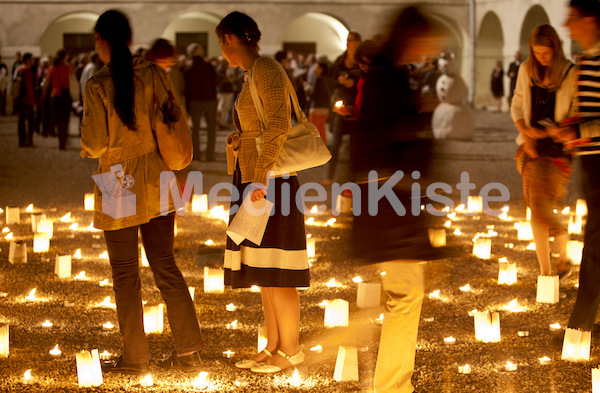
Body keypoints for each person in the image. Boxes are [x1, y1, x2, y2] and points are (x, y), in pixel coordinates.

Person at [80, 9, 203, 375]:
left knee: (124, 274)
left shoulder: (97, 84)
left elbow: (95, 143)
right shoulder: (154, 75)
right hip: (158, 174)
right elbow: (174, 120)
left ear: (100, 41)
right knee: (165, 264)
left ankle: (136, 355)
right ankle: (189, 350)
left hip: (118, 179)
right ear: (129, 40)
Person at [350, 8, 447, 392]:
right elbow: (377, 142)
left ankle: (394, 382)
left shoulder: (389, 75)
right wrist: (416, 129)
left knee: (406, 293)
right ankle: (392, 385)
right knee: (406, 295)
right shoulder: (387, 78)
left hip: (392, 199)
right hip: (391, 201)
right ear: (411, 36)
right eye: (428, 41)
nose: (430, 49)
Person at [217, 11, 309, 374]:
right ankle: (273, 344)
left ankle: (291, 348)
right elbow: (260, 128)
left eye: (223, 41)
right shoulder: (250, 75)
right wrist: (240, 143)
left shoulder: (266, 69)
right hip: (256, 179)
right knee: (262, 267)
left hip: (271, 182)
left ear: (232, 39)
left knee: (278, 266)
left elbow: (276, 127)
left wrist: (258, 177)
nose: (222, 48)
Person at [550, 0, 600, 348]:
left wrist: (578, 131)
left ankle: (580, 329)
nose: (567, 26)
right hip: (592, 164)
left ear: (591, 20)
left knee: (595, 247)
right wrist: (570, 127)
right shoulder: (588, 59)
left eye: (572, 19)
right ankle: (581, 327)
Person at [511, 24, 577, 278]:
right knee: (537, 208)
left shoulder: (569, 72)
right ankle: (548, 271)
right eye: (537, 53)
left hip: (558, 150)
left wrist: (560, 131)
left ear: (555, 48)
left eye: (546, 53)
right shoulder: (526, 70)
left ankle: (558, 259)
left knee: (541, 207)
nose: (542, 58)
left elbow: (575, 110)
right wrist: (526, 132)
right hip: (531, 148)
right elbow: (517, 104)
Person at [323, 31, 362, 185]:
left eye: (352, 40)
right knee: (336, 142)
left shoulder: (361, 60)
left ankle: (353, 177)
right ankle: (330, 176)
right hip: (342, 104)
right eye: (348, 40)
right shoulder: (340, 61)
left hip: (356, 104)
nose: (349, 43)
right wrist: (339, 81)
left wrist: (354, 82)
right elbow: (330, 82)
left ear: (358, 42)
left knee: (354, 144)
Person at [184, 43, 218, 161]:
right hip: (210, 99)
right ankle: (210, 154)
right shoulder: (208, 66)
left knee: (195, 129)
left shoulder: (188, 69)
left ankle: (196, 154)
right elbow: (215, 82)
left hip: (195, 101)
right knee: (211, 128)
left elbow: (186, 88)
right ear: (200, 52)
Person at [46, 49, 73, 150]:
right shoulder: (68, 68)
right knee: (65, 120)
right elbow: (73, 81)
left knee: (58, 120)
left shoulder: (52, 68)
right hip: (66, 95)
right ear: (64, 57)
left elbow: (48, 83)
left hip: (55, 96)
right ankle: (63, 141)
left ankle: (60, 141)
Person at [15, 53, 36, 147]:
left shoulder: (18, 70)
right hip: (27, 100)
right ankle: (29, 140)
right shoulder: (27, 72)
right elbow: (29, 88)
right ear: (28, 60)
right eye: (32, 59)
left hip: (19, 99)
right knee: (30, 121)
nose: (33, 61)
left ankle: (21, 141)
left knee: (21, 121)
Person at [307, 61, 331, 143]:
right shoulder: (327, 80)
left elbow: (314, 95)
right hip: (325, 109)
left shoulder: (318, 80)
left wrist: (307, 90)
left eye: (317, 67)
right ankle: (324, 151)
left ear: (321, 69)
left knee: (315, 133)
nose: (314, 70)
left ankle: (317, 152)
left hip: (316, 109)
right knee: (322, 132)